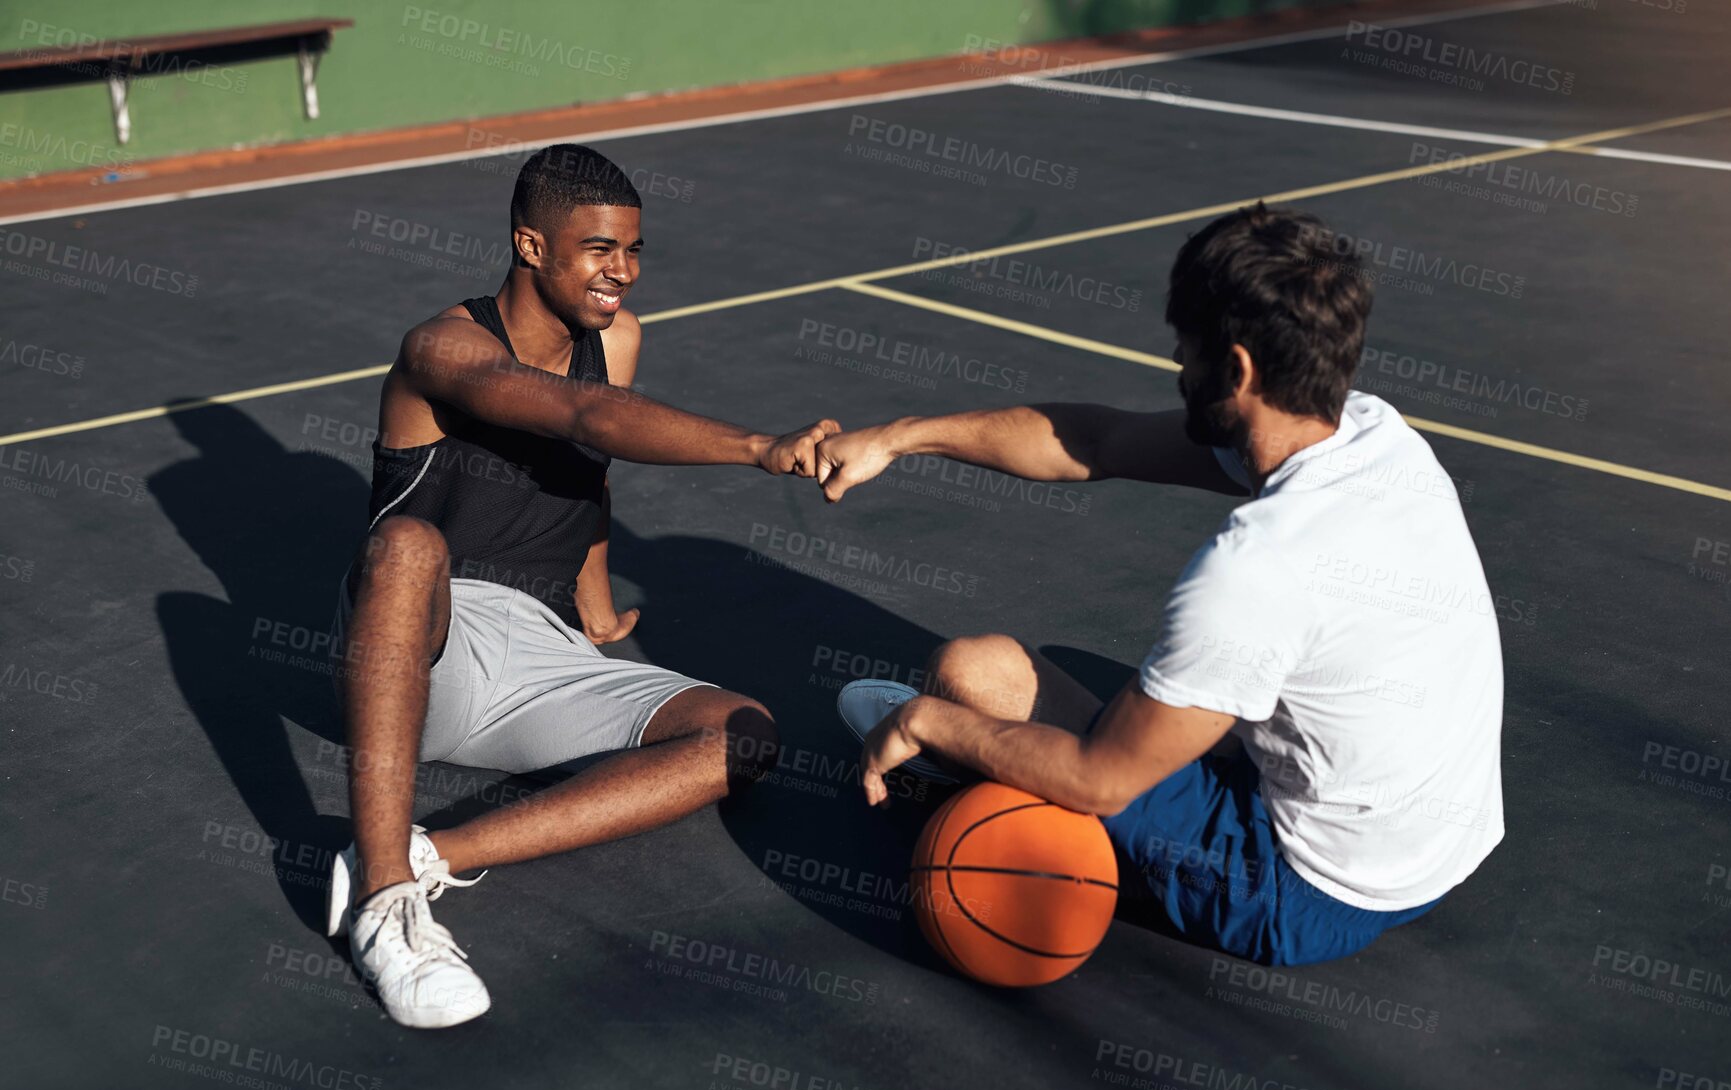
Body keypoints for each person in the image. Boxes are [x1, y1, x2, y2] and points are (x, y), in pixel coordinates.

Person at [817, 202, 1504, 968]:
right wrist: (899, 436)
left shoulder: (1257, 568)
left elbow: (1099, 779)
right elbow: (1098, 441)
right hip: (1444, 843)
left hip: (1303, 888)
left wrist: (928, 725)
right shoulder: (1375, 434)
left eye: (1184, 350)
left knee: (970, 678)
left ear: (1237, 368)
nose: (1177, 369)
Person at [327, 144, 837, 1027]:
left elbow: (590, 468)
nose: (623, 273)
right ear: (530, 244)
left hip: (544, 654)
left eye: (634, 250)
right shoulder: (442, 347)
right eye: (600, 249)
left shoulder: (617, 340)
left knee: (742, 735)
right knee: (406, 543)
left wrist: (593, 604)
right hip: (425, 645)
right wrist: (757, 447)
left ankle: (430, 854)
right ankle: (380, 901)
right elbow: (582, 413)